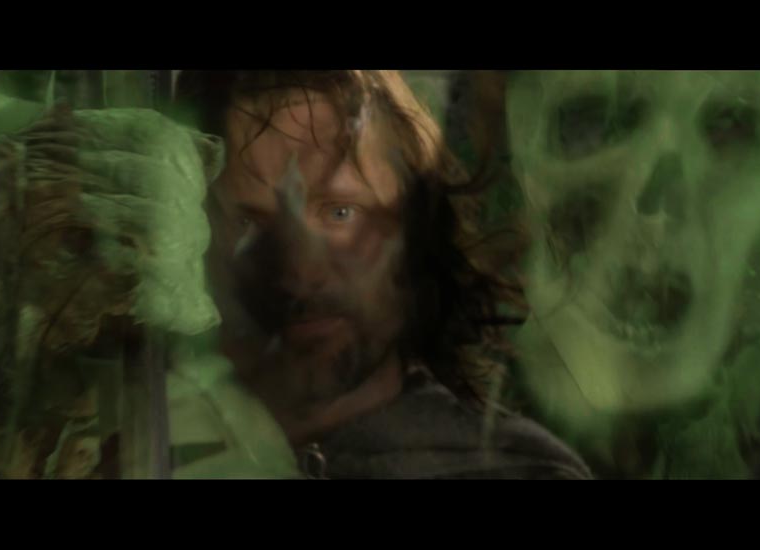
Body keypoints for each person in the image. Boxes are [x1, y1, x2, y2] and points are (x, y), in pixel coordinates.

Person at [176, 71, 590, 479]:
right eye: (248, 223)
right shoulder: (160, 434)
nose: (299, 271)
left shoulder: (514, 471)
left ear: (414, 230)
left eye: (341, 212)